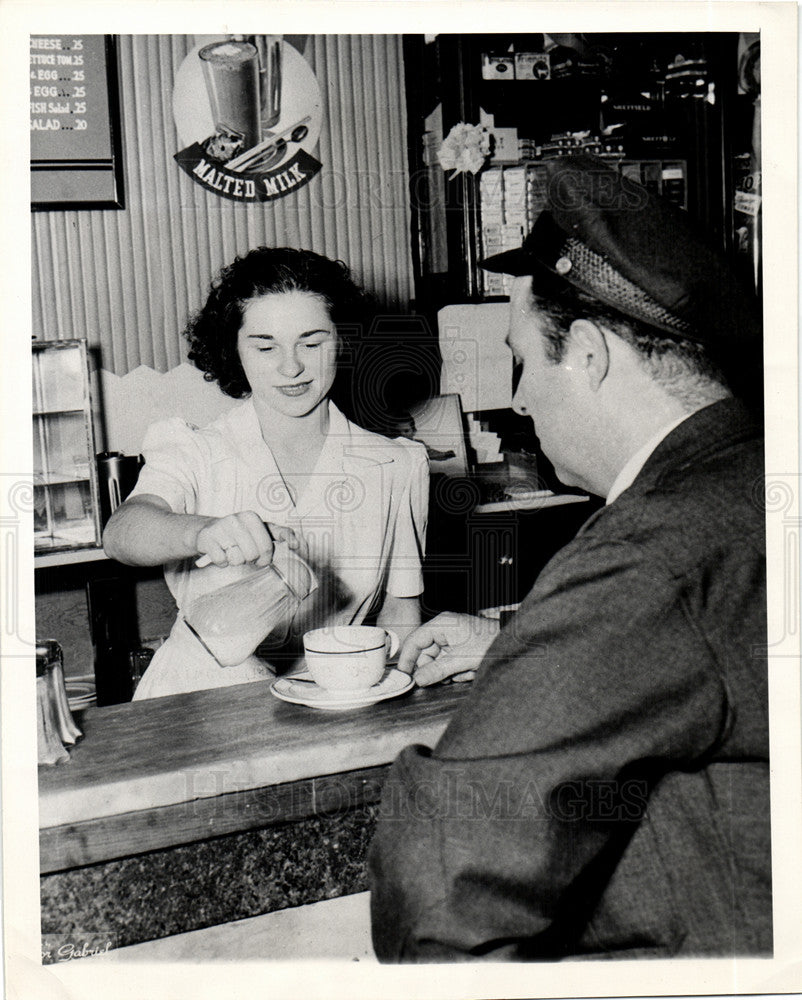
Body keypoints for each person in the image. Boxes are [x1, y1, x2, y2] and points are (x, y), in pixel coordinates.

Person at [368, 154, 769, 960]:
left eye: (523, 361)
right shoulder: (757, 479)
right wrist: (518, 646)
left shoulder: (644, 559)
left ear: (587, 352)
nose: (518, 398)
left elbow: (445, 881)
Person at [103, 247, 428, 700]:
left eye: (311, 343)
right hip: (199, 704)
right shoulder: (193, 448)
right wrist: (203, 532)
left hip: (332, 702)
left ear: (344, 341)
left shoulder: (397, 466)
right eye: (265, 345)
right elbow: (122, 533)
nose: (290, 366)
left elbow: (399, 610)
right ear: (234, 349)